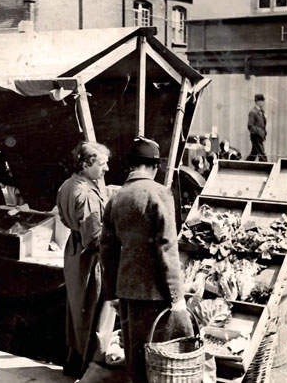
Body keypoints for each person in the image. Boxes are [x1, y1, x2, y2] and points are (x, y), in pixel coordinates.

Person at [100, 137, 192, 383]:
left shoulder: (116, 197)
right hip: (155, 291)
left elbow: (107, 250)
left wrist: (111, 294)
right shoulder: (159, 193)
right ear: (154, 166)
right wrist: (177, 296)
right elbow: (167, 246)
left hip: (126, 290)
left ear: (131, 165)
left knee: (135, 356)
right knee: (159, 359)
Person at [56, 141, 116, 379]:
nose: (106, 168)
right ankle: (88, 370)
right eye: (101, 164)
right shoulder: (88, 194)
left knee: (76, 311)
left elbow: (63, 217)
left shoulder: (66, 185)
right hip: (90, 259)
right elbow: (94, 238)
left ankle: (73, 361)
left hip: (73, 251)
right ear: (85, 164)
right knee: (92, 311)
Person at [247, 93, 267, 162]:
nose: (263, 103)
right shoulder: (253, 112)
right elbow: (250, 125)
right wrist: (258, 132)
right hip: (256, 136)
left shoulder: (261, 112)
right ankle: (266, 167)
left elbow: (263, 124)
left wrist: (263, 133)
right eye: (262, 101)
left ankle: (244, 165)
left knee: (253, 154)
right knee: (262, 154)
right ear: (257, 102)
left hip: (260, 136)